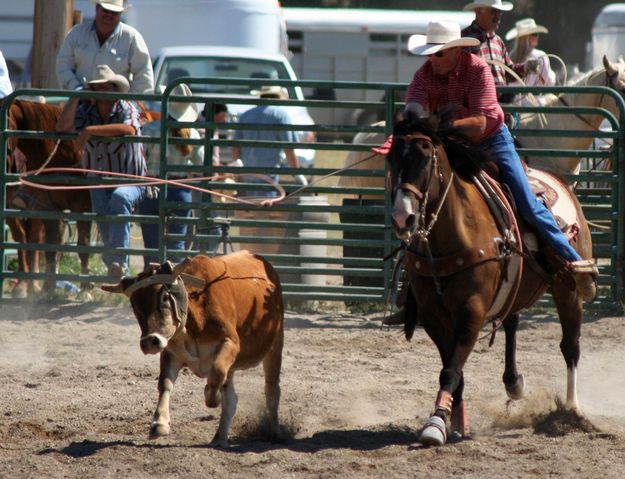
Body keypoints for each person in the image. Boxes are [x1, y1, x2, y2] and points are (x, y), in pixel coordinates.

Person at [384, 21, 595, 324]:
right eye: (430, 54)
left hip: (492, 140)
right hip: (448, 144)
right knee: (419, 197)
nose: (434, 59)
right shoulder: (423, 76)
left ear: (456, 51)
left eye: (439, 53)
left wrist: (442, 125)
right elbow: (415, 107)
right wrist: (417, 123)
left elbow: (482, 123)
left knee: (526, 201)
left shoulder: (478, 70)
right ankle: (412, 288)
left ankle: (571, 261)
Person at [56, 64, 146, 278]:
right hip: (98, 178)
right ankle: (114, 264)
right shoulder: (86, 110)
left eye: (109, 87)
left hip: (131, 179)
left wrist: (90, 131)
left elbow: (129, 128)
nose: (105, 91)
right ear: (93, 93)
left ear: (116, 90)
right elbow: (62, 127)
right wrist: (77, 97)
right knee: (102, 212)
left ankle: (119, 263)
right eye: (99, 88)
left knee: (120, 197)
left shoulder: (126, 107)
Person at [139, 83, 204, 269]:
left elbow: (141, 159)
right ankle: (173, 285)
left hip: (152, 190)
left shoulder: (151, 129)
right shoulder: (192, 133)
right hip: (179, 192)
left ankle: (152, 285)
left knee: (152, 245)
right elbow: (200, 165)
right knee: (176, 244)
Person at [56, 0, 154, 94]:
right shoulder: (76, 34)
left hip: (117, 107)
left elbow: (144, 79)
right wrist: (77, 90)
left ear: (120, 14)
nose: (109, 15)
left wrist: (127, 105)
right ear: (97, 8)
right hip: (80, 104)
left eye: (114, 12)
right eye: (106, 10)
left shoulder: (132, 38)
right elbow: (63, 67)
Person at [231, 85, 306, 197]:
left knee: (249, 207)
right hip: (269, 176)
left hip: (248, 174)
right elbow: (289, 148)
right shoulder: (281, 116)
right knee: (266, 209)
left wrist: (237, 172)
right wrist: (297, 173)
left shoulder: (246, 115)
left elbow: (235, 147)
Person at [461, 0, 527, 103]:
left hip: (500, 108)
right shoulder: (464, 40)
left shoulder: (498, 41)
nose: (498, 16)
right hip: (478, 107)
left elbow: (509, 72)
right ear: (478, 11)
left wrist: (526, 68)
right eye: (493, 11)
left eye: (500, 12)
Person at [506, 18, 556, 106]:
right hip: (534, 104)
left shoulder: (511, 55)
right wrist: (554, 75)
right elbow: (549, 82)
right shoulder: (541, 55)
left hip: (514, 104)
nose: (537, 36)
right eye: (534, 34)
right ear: (527, 37)